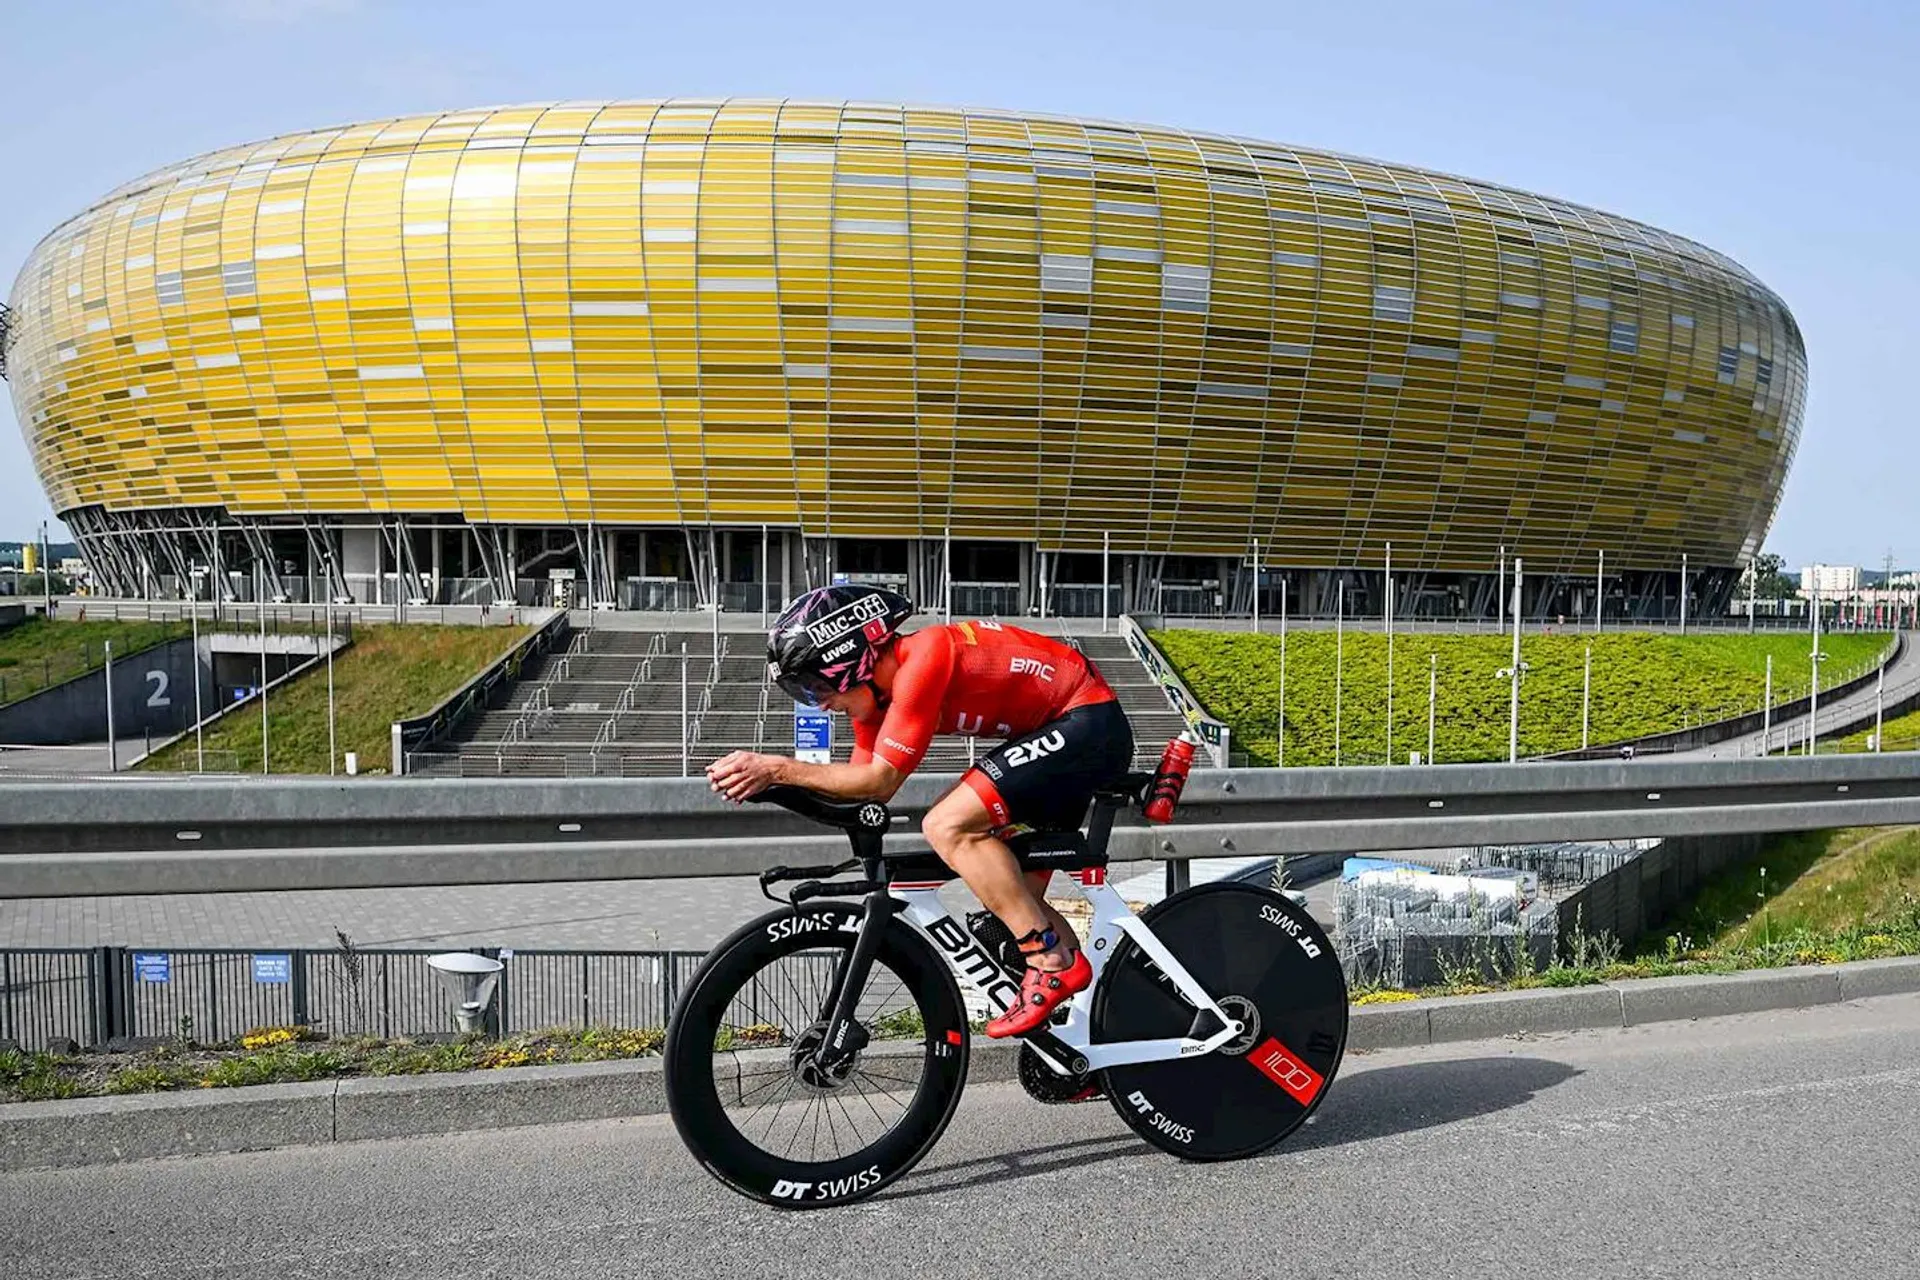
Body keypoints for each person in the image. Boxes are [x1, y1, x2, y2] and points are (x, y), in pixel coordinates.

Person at [706, 583, 1134, 1038]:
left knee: (948, 826)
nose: (821, 704)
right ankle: (1088, 1043)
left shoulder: (925, 657)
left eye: (815, 686)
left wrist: (775, 768)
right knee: (1012, 907)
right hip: (1061, 733)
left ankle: (1049, 961)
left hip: (1087, 722)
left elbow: (881, 779)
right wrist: (772, 789)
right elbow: (861, 794)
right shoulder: (873, 705)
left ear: (852, 659)